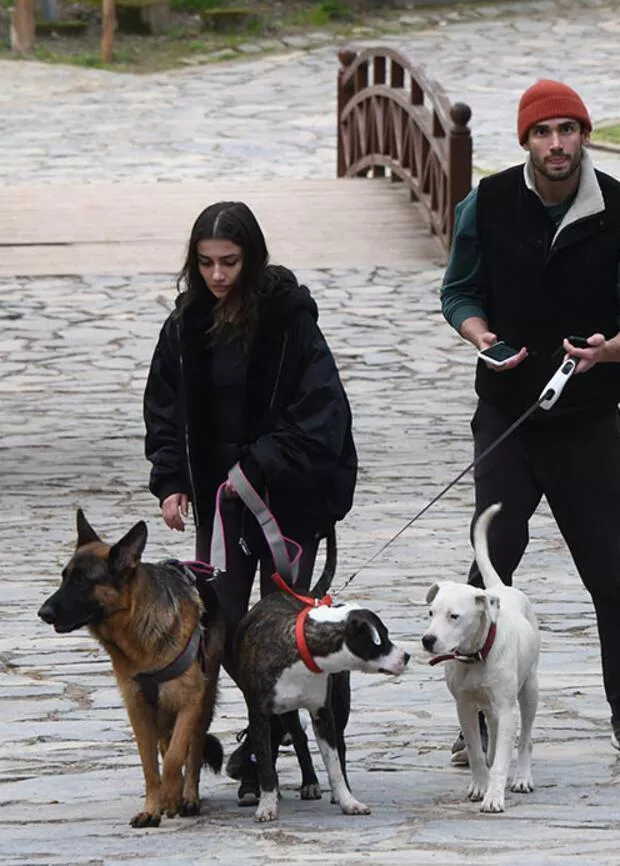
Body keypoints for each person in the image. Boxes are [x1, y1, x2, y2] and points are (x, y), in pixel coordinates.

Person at [440, 80, 620, 763]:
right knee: (492, 561)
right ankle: (474, 716)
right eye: (544, 133)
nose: (557, 144)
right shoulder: (487, 203)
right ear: (525, 141)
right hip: (507, 416)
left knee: (609, 571)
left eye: (568, 130)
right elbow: (459, 292)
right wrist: (483, 338)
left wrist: (612, 350)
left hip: (589, 421)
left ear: (584, 137)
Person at [143, 200, 357, 799]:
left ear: (252, 258)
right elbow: (165, 409)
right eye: (207, 263)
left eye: (230, 263)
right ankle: (235, 741)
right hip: (220, 502)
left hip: (288, 495)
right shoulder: (184, 325)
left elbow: (321, 411)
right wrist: (172, 480)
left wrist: (257, 463)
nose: (217, 276)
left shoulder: (291, 320)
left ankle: (298, 745)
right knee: (224, 625)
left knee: (286, 623)